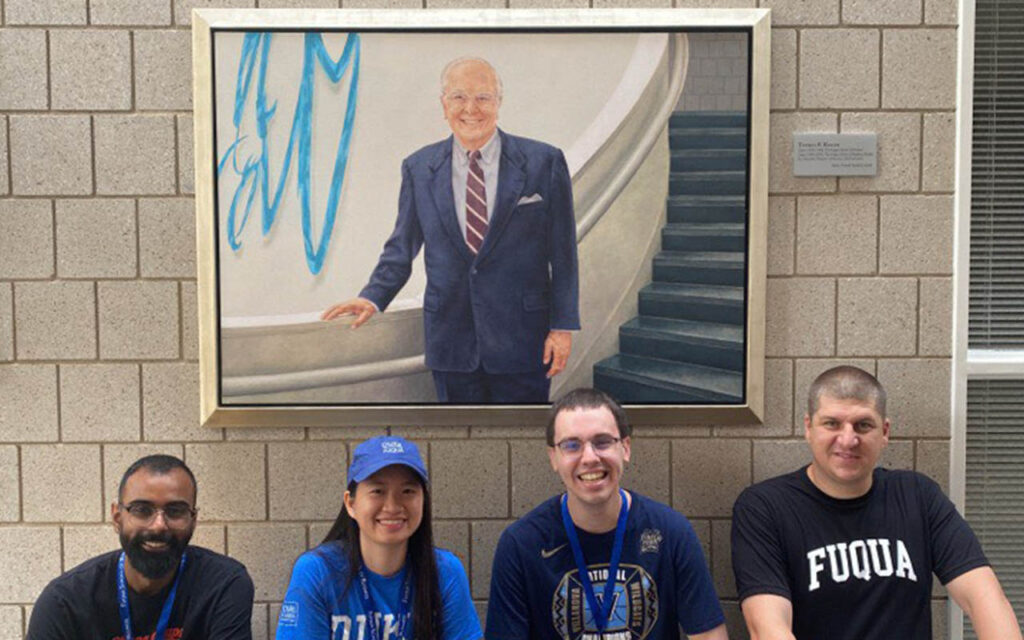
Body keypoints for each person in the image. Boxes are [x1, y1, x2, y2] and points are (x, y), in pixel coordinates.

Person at [321, 56, 579, 404]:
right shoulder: (419, 168)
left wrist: (562, 328)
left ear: (498, 103)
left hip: (523, 341)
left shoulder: (543, 162)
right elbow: (402, 246)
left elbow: (563, 254)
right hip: (451, 342)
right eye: (458, 97)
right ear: (443, 105)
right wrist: (372, 296)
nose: (470, 108)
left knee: (523, 437)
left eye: (483, 98)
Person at [731, 365, 1021, 640]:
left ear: (884, 432)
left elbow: (984, 598)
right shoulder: (765, 508)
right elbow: (768, 629)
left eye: (863, 425)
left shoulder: (918, 496)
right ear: (809, 427)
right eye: (832, 423)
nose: (848, 440)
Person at [486, 388, 729, 639]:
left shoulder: (671, 532)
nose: (589, 457)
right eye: (571, 445)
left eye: (602, 442)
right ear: (554, 457)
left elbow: (710, 636)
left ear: (625, 448)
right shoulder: (520, 544)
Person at [26, 454, 254, 640]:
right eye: (142, 510)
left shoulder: (223, 584)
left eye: (175, 511)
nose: (158, 526)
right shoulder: (65, 601)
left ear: (193, 519)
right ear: (117, 518)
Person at [276, 435, 481, 640]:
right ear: (350, 503)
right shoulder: (318, 571)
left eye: (408, 491)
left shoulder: (445, 571)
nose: (392, 506)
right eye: (377, 491)